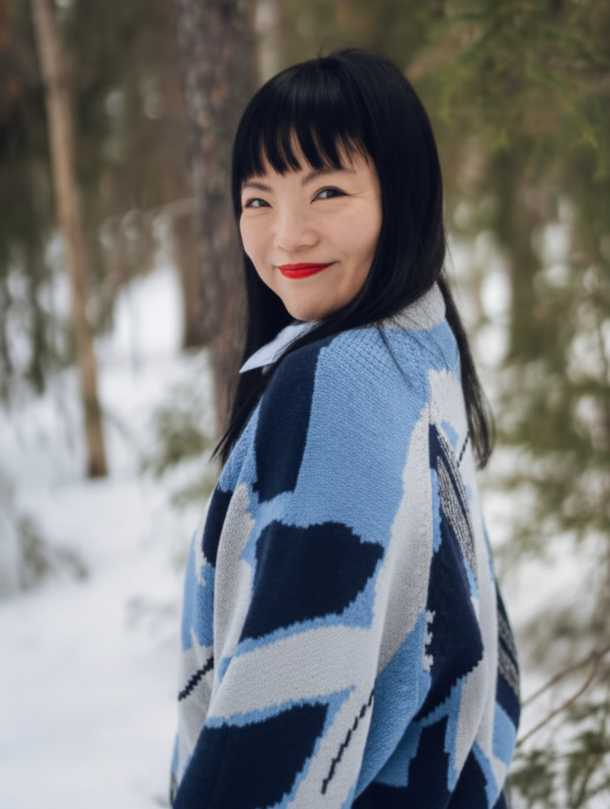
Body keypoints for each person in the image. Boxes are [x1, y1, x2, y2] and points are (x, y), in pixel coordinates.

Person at [171, 49, 520, 808]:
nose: (286, 236)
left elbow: (287, 696)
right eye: (257, 200)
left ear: (404, 195)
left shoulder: (340, 384)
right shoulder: (419, 341)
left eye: (326, 191)